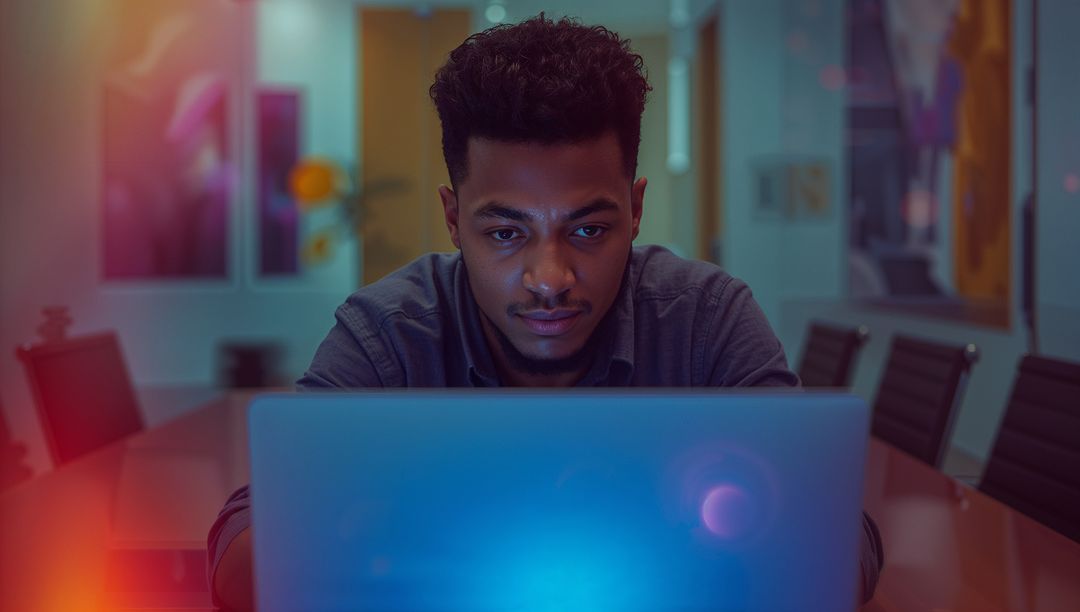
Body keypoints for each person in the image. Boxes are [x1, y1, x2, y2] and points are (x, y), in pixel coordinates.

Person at [208, 15, 883, 610]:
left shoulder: (704, 318)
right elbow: (242, 554)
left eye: (588, 230)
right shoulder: (389, 333)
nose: (550, 279)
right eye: (505, 233)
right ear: (453, 219)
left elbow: (838, 551)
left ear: (637, 209)